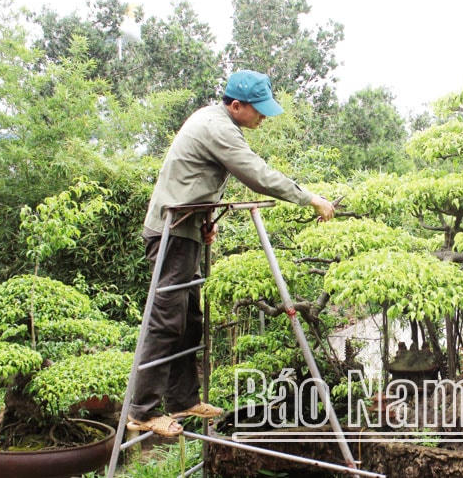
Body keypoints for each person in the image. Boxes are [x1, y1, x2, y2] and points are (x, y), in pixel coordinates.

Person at [127, 70, 336, 436]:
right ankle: (141, 411)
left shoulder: (218, 122)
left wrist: (206, 218)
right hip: (170, 234)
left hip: (186, 229)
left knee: (189, 319)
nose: (263, 117)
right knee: (165, 320)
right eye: (259, 110)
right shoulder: (217, 127)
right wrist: (309, 198)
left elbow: (193, 180)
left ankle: (182, 399)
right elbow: (255, 173)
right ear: (236, 105)